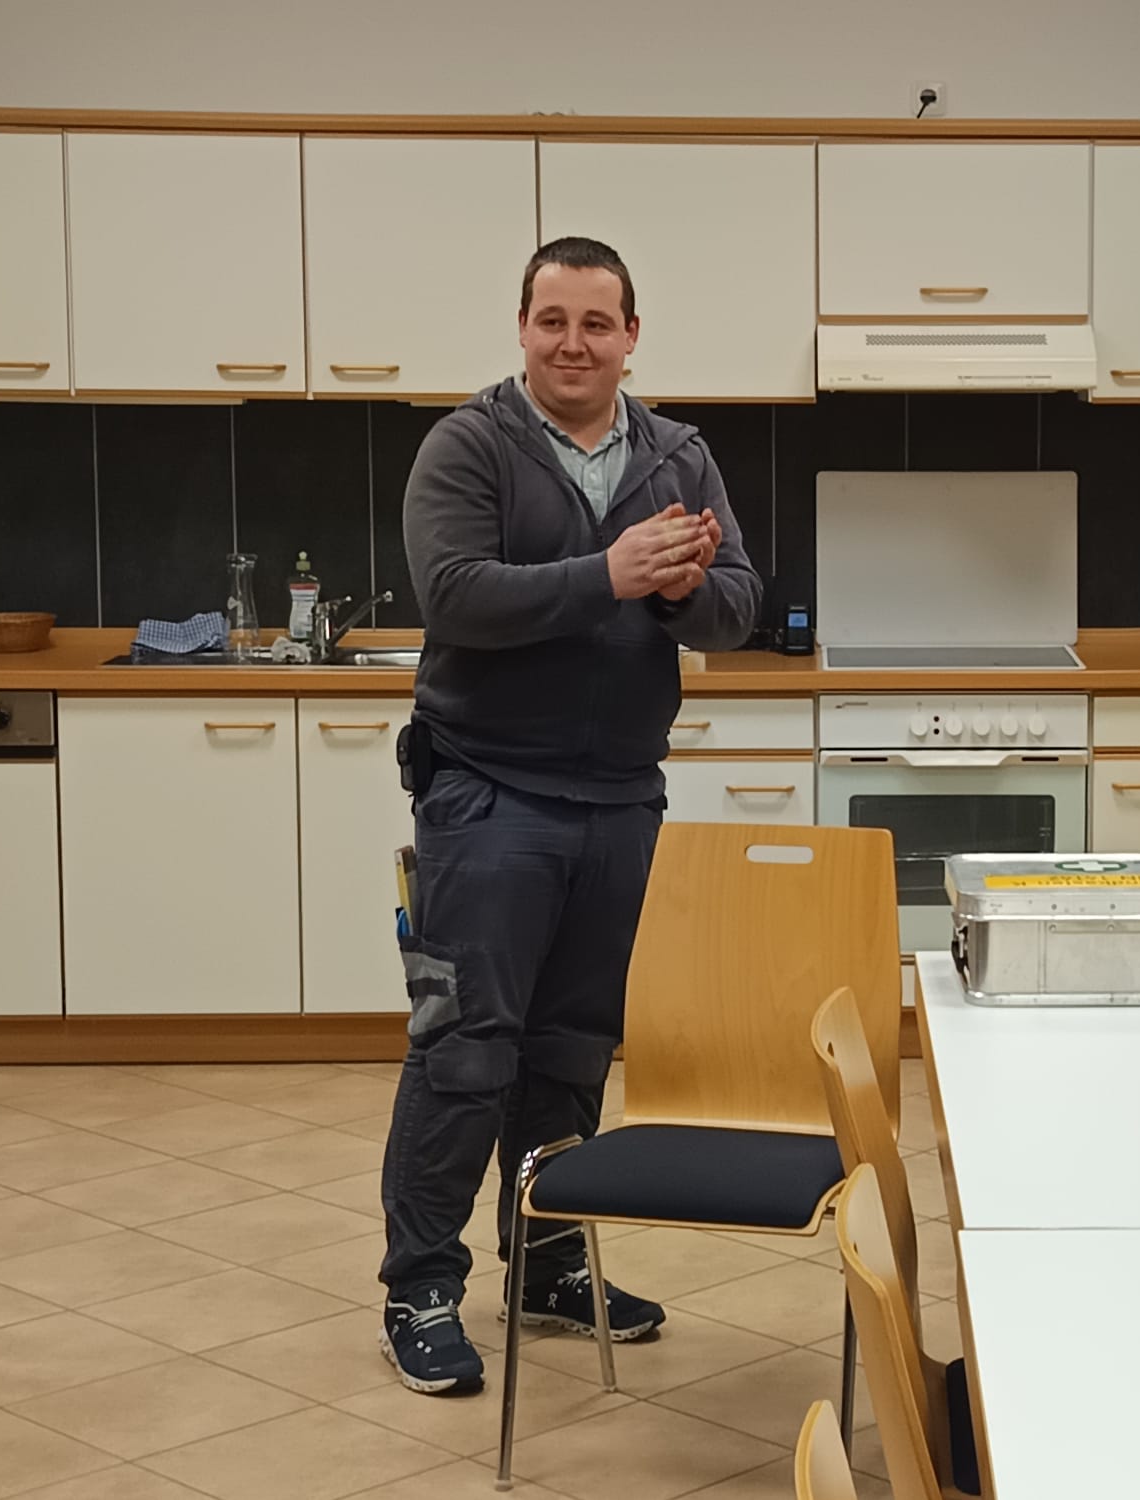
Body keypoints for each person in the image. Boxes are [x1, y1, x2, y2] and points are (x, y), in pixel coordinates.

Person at [378, 235, 761, 1395]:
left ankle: (544, 1265)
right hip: (487, 790)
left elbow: (738, 607)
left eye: (597, 323)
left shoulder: (678, 455)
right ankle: (420, 1289)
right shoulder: (470, 444)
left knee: (569, 1050)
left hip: (619, 797)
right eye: (552, 320)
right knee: (465, 1047)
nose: (573, 343)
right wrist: (613, 573)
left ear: (631, 335)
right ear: (522, 327)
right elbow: (455, 596)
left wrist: (686, 590)